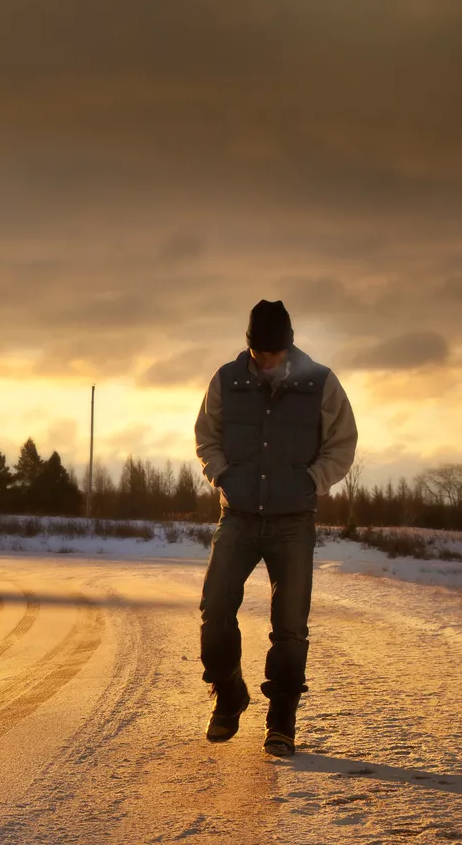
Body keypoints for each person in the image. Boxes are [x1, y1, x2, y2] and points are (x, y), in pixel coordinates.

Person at [194, 300, 357, 756]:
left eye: (276, 352)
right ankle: (228, 695)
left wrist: (312, 479)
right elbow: (206, 434)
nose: (268, 361)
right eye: (261, 353)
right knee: (215, 609)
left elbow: (342, 442)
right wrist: (222, 474)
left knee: (290, 626)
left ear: (288, 344)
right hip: (239, 515)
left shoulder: (320, 382)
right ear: (249, 346)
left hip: (292, 520)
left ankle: (281, 721)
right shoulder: (226, 379)